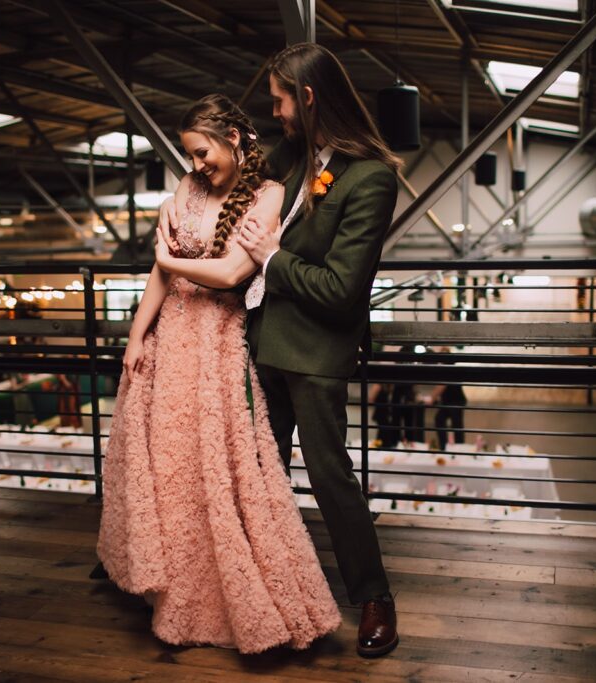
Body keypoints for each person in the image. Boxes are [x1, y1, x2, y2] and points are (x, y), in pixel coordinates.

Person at [96, 93, 341, 655]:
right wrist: (136, 337)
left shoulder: (270, 193)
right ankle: (167, 589)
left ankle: (230, 599)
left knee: (214, 470)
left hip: (215, 344)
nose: (197, 165)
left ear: (233, 136)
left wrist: (167, 258)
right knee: (166, 470)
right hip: (168, 342)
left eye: (203, 152)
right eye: (189, 156)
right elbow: (159, 280)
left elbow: (232, 273)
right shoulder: (187, 189)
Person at [237, 43, 402, 658]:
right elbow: (239, 173)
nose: (273, 112)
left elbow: (339, 289)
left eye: (279, 100)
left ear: (306, 97)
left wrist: (271, 259)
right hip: (257, 343)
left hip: (315, 353)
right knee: (263, 479)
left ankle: (374, 598)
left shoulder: (371, 177)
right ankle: (270, 597)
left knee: (332, 478)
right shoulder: (291, 156)